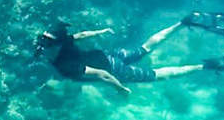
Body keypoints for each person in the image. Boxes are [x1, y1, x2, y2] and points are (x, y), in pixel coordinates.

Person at [34, 19, 211, 95]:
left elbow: (102, 75)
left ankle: (205, 66)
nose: (42, 43)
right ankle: (181, 23)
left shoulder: (65, 65)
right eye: (43, 38)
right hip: (109, 55)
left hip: (114, 69)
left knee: (157, 75)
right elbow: (80, 35)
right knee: (144, 48)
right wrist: (99, 32)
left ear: (56, 42)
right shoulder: (59, 41)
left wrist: (120, 89)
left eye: (47, 41)